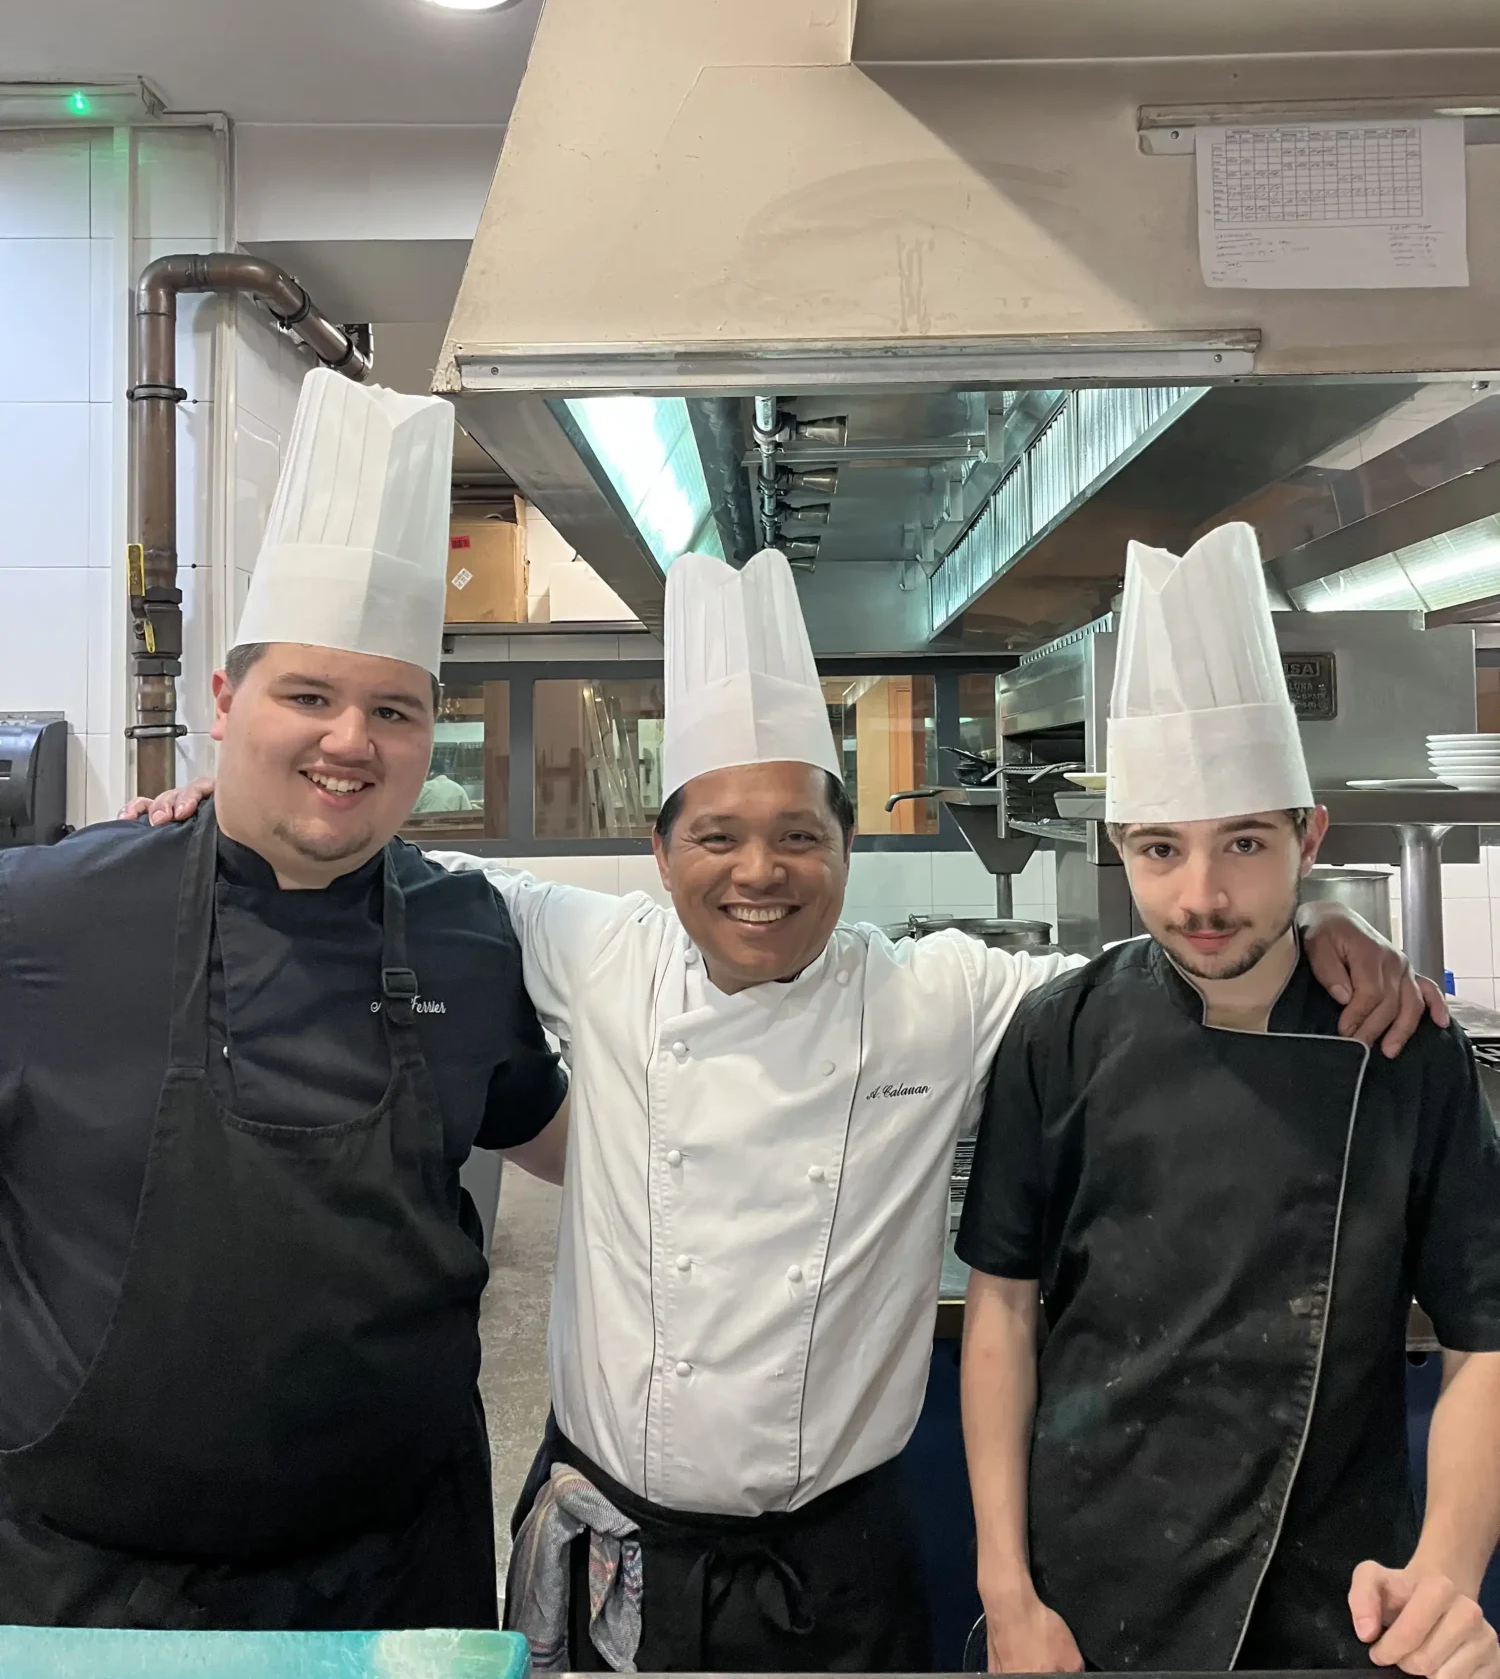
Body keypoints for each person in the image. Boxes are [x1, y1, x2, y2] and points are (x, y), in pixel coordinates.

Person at [140, 546, 1441, 1672]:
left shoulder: (938, 996)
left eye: (798, 838)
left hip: (841, 1562)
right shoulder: (594, 948)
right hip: (612, 1547)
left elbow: (1167, 968)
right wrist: (233, 811)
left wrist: (1323, 926)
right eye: (716, 835)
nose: (758, 872)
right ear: (660, 853)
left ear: (847, 853)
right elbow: (377, 852)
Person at [0, 369, 568, 1630]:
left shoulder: (471, 931)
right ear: (222, 702)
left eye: (393, 708)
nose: (348, 739)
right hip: (91, 1590)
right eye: (307, 695)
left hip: (396, 1577)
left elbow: (566, 1136)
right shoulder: (43, 919)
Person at [958, 523, 1500, 1678]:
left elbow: (1484, 1337)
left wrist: (1446, 1570)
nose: (1202, 894)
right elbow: (1001, 1312)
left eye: (1244, 843)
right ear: (1121, 846)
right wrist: (1008, 1592)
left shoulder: (1407, 1050)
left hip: (1335, 1601)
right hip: (1089, 1589)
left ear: (1309, 835)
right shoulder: (1061, 1033)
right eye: (1161, 849)